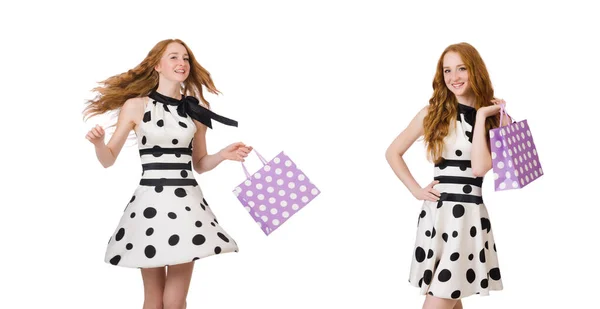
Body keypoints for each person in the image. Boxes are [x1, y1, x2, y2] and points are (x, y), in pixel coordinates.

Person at [83, 38, 252, 309]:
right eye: (173, 57)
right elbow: (108, 160)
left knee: (174, 301)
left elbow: (199, 163)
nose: (181, 63)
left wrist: (222, 156)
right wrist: (99, 144)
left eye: (185, 58)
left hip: (186, 204)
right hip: (149, 204)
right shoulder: (136, 106)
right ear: (157, 65)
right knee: (153, 298)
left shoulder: (198, 109)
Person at [385, 42, 510, 309]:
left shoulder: (496, 118)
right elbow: (393, 152)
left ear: (475, 70)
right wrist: (416, 190)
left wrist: (481, 117)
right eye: (447, 70)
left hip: (467, 219)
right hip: (437, 215)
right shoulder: (432, 114)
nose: (454, 77)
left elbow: (479, 167)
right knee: (448, 296)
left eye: (461, 68)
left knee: (441, 297)